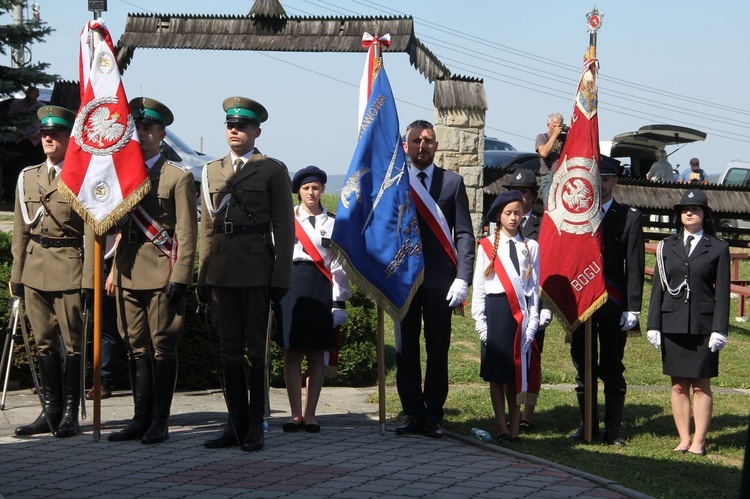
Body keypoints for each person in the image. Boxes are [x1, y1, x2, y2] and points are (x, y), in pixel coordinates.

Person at [198, 96, 294, 452]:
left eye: (241, 125)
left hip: (257, 270)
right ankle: (233, 423)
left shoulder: (271, 169)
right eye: (229, 125)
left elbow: (285, 228)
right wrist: (202, 277)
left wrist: (281, 276)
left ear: (257, 131)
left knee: (257, 351)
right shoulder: (211, 171)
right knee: (229, 350)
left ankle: (256, 425)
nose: (234, 130)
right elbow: (208, 229)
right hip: (221, 270)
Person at [107, 97, 198, 444]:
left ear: (161, 134)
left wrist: (181, 275)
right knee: (135, 346)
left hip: (161, 270)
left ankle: (160, 419)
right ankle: (139, 417)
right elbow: (113, 226)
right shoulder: (119, 174)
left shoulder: (177, 176)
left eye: (148, 129)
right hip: (129, 268)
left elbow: (187, 232)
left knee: (162, 347)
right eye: (137, 128)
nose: (142, 134)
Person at [10, 105, 92, 438]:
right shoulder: (28, 177)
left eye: (55, 134)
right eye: (44, 133)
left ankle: (71, 414)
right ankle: (51, 411)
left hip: (69, 267)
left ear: (67, 138)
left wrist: (89, 277)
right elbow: (20, 230)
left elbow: (90, 231)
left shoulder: (81, 176)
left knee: (72, 345)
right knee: (43, 344)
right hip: (34, 268)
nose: (47, 138)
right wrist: (17, 274)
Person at [394, 120, 475, 439]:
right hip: (404, 280)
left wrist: (463, 277)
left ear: (436, 146)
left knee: (438, 349)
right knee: (406, 350)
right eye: (416, 141)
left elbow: (465, 234)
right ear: (405, 146)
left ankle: (433, 415)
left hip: (442, 281)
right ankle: (413, 413)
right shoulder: (396, 182)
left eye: (428, 140)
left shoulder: (452, 182)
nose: (422, 146)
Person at [646, 189, 729, 455]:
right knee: (678, 384)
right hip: (673, 322)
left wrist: (720, 329)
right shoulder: (666, 247)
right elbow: (658, 287)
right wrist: (653, 324)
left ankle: (699, 440)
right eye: (684, 209)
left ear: (705, 215)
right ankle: (684, 438)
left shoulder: (718, 247)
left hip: (704, 326)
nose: (689, 213)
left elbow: (723, 291)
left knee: (701, 385)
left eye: (694, 209)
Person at [568, 156, 644, 446]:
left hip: (613, 304)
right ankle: (587, 423)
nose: (601, 183)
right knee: (583, 366)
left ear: (616, 181)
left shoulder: (629, 216)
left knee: (612, 366)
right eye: (596, 177)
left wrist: (633, 307)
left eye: (607, 178)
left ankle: (613, 428)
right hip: (582, 302)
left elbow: (634, 266)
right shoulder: (577, 214)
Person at [276, 166, 350, 434]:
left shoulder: (332, 223)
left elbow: (339, 266)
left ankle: (311, 415)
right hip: (291, 287)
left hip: (321, 287)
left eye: (316, 187)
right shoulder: (286, 221)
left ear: (322, 190)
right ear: (299, 192)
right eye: (306, 188)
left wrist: (339, 302)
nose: (311, 192)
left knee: (316, 354)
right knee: (292, 351)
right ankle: (295, 414)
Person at [472, 190, 539, 442]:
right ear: (499, 215)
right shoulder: (487, 246)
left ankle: (514, 428)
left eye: (517, 213)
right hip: (496, 311)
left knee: (515, 375)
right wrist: (481, 324)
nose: (513, 218)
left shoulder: (531, 247)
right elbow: (479, 288)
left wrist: (531, 324)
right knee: (497, 375)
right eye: (508, 213)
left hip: (519, 316)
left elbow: (533, 290)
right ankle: (501, 427)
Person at [503, 169, 552, 430]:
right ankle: (510, 411)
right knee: (509, 357)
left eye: (524, 192)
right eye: (515, 192)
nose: (519, 198)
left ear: (533, 196)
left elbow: (548, 267)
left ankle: (526, 415)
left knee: (531, 358)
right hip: (507, 303)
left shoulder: (544, 226)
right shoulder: (501, 223)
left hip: (533, 305)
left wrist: (545, 307)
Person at [86, 235, 119, 400]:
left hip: (106, 261)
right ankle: (60, 380)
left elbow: (122, 232)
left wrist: (115, 270)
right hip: (75, 258)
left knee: (105, 327)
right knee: (69, 326)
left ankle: (102, 381)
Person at [535, 112, 566, 205]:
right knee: (550, 208)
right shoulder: (542, 137)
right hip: (549, 178)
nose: (557, 129)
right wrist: (554, 136)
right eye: (554, 126)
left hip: (563, 177)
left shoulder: (565, 138)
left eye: (559, 126)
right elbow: (543, 153)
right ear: (548, 125)